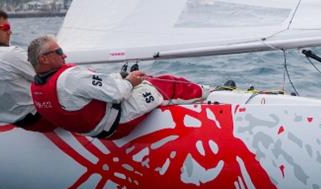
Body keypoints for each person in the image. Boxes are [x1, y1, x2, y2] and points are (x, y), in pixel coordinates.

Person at [27, 35, 209, 139]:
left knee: (143, 82)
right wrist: (130, 81)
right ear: (43, 59)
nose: (64, 55)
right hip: (120, 122)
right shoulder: (70, 78)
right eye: (58, 52)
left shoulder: (37, 87)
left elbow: (90, 89)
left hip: (98, 131)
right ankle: (210, 94)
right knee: (164, 83)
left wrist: (121, 77)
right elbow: (117, 93)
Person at [0, 9, 55, 132]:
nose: (10, 32)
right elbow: (51, 77)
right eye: (5, 27)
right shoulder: (11, 54)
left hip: (4, 120)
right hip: (37, 120)